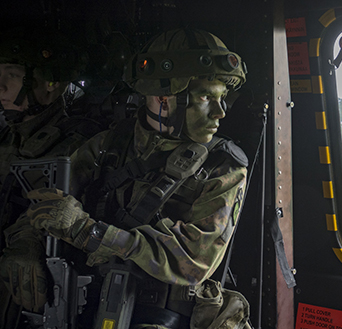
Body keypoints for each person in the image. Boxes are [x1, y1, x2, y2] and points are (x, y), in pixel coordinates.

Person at [16, 28, 251, 329]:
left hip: (163, 315)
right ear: (162, 97)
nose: (220, 112)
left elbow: (193, 263)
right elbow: (44, 200)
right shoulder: (108, 144)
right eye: (205, 97)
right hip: (85, 300)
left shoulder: (224, 167)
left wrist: (90, 232)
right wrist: (25, 245)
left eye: (222, 98)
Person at [0, 28, 104, 329]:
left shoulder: (81, 141)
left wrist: (25, 242)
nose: (1, 86)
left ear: (50, 84)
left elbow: (57, 207)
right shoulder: (8, 137)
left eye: (12, 75)